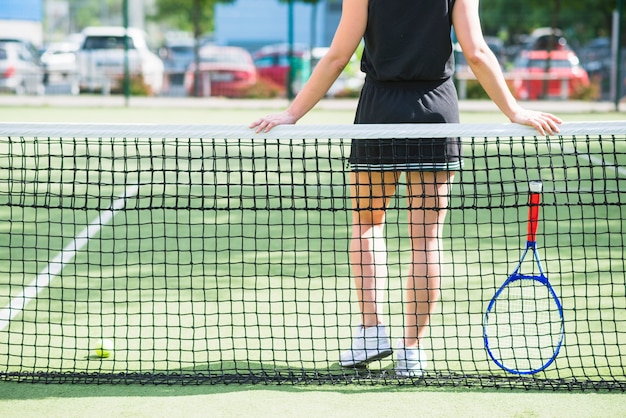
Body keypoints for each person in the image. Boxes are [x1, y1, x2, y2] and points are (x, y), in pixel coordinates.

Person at [250, 0, 562, 377]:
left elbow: (337, 56)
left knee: (367, 223)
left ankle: (371, 332)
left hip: (379, 111)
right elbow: (476, 52)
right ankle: (411, 353)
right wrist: (514, 110)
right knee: (426, 238)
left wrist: (292, 113)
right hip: (437, 113)